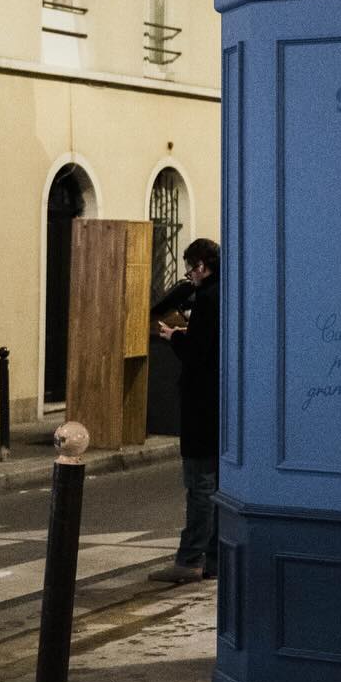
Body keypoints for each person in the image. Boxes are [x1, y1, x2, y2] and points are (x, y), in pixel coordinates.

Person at [151, 238, 221, 585]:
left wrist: (174, 337)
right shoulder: (228, 292)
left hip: (201, 403)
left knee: (200, 484)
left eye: (191, 268)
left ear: (202, 266)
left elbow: (198, 353)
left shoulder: (207, 297)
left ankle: (190, 559)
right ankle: (214, 558)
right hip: (220, 403)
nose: (189, 275)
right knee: (217, 485)